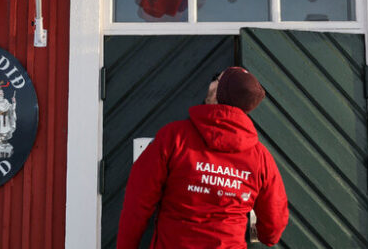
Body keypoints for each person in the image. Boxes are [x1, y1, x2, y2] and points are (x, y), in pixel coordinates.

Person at [117, 66, 288, 248]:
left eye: (216, 78)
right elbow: (274, 224)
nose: (211, 82)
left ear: (217, 92)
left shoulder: (173, 138)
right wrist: (265, 234)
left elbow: (137, 204)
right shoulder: (261, 158)